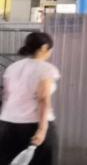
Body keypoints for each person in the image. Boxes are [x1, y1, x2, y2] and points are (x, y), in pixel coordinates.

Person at [0, 32, 60, 165]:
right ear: (44, 47)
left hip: (7, 125)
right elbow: (43, 99)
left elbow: (6, 95)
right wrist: (42, 130)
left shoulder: (12, 68)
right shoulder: (45, 69)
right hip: (33, 125)